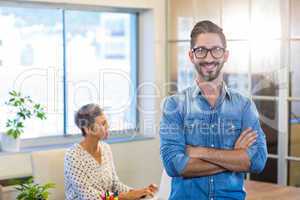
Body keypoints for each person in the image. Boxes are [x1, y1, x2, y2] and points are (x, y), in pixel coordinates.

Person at [159, 20, 268, 199]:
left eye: (216, 50)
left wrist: (198, 152)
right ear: (191, 55)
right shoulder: (173, 105)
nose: (209, 58)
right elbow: (174, 165)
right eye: (201, 50)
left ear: (225, 55)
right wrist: (235, 156)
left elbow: (257, 161)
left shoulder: (244, 105)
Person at [64, 103, 157, 200]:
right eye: (103, 124)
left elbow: (114, 184)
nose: (108, 126)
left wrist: (139, 192)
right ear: (88, 129)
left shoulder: (105, 148)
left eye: (106, 122)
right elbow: (90, 196)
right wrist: (126, 196)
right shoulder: (73, 156)